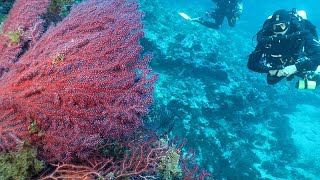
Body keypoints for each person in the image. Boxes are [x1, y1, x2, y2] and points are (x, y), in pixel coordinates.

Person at [247, 9, 320, 89]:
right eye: (275, 26)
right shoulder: (267, 36)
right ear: (271, 27)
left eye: (282, 26)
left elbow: (318, 55)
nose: (278, 30)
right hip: (281, 63)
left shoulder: (301, 33)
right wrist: (270, 70)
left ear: (288, 25)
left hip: (299, 60)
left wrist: (295, 67)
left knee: (316, 78)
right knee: (271, 81)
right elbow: (251, 63)